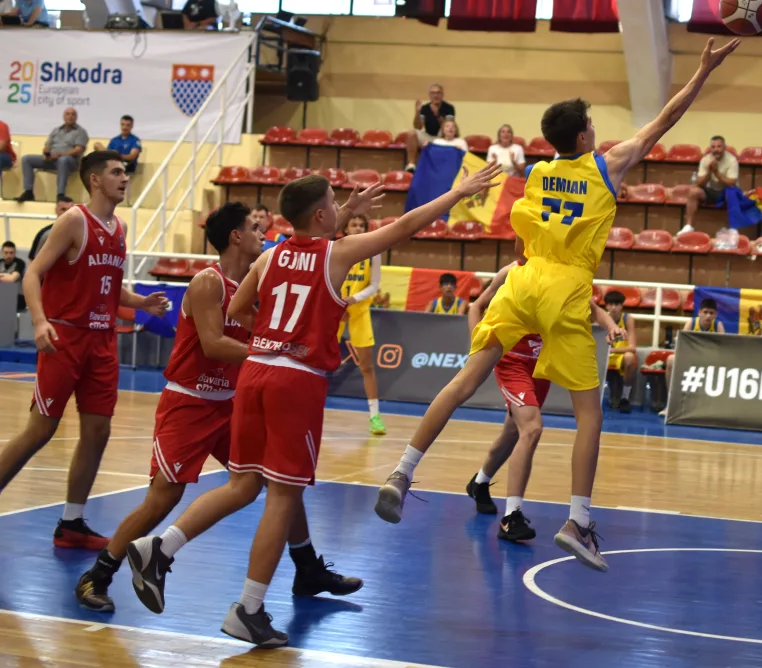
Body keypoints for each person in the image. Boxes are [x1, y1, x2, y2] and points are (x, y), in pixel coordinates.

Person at [375, 37, 741, 573]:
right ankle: (577, 521)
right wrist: (704, 69)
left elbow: (523, 238)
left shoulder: (539, 173)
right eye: (591, 122)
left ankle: (403, 471)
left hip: (524, 280)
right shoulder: (607, 165)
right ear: (584, 134)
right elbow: (666, 119)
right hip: (567, 288)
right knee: (590, 414)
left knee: (462, 382)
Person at [124, 166, 500, 647]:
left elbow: (238, 309)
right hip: (294, 380)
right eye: (333, 204)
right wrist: (457, 191)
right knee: (282, 497)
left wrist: (273, 333)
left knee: (243, 484)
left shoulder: (270, 256)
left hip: (254, 373)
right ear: (322, 215)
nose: (339, 209)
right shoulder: (337, 253)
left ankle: (161, 546)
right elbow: (406, 225)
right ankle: (248, 609)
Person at [73, 203, 361, 612]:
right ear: (235, 237)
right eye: (254, 227)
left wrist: (341, 213)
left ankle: (307, 567)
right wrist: (271, 352)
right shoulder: (209, 282)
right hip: (189, 402)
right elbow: (213, 344)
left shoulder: (259, 275)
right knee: (162, 499)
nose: (263, 233)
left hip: (229, 403)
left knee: (281, 481)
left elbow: (308, 244)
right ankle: (97, 575)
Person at [0, 151, 168, 548]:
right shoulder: (75, 220)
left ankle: (72, 522)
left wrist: (141, 303)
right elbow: (33, 274)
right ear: (95, 180)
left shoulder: (119, 227)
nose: (124, 178)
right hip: (65, 337)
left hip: (101, 341)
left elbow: (109, 287)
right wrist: (40, 321)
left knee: (98, 431)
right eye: (116, 172)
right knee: (41, 430)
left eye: (125, 172)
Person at [464, 261, 625, 542]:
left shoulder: (564, 273)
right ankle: (511, 517)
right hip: (512, 362)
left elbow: (593, 309)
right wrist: (478, 347)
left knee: (513, 431)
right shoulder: (511, 272)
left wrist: (611, 326)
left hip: (540, 365)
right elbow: (476, 306)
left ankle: (479, 482)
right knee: (532, 428)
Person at [338, 214, 386, 436]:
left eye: (362, 225)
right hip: (334, 311)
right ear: (346, 229)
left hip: (359, 310)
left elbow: (374, 285)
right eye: (354, 225)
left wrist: (354, 300)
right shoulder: (337, 248)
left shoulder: (373, 252)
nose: (358, 228)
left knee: (367, 366)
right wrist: (338, 304)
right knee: (318, 362)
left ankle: (375, 416)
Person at [17, 107, 89, 203]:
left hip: (70, 162)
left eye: (73, 114)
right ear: (64, 116)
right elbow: (47, 146)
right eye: (68, 114)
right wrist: (46, 154)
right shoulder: (56, 130)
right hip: (52, 159)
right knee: (26, 159)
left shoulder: (80, 132)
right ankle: (28, 192)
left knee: (63, 160)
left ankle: (60, 194)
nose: (70, 116)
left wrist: (60, 155)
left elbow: (78, 150)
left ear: (76, 117)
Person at [679, 135, 738, 235]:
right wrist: (709, 172)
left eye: (719, 146)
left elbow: (731, 183)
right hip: (710, 191)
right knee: (693, 191)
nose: (716, 150)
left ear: (724, 147)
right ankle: (689, 226)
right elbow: (699, 183)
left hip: (725, 191)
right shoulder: (705, 159)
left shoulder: (732, 160)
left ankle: (733, 228)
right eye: (713, 147)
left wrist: (716, 172)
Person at [664, 297, 726, 378]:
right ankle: (670, 387)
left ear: (715, 315)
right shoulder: (691, 323)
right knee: (670, 360)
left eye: (711, 313)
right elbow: (682, 343)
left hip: (710, 358)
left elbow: (723, 347)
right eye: (705, 312)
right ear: (699, 312)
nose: (708, 316)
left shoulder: (718, 325)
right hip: (692, 356)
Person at [602, 290, 637, 412]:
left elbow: (632, 347)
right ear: (606, 306)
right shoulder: (602, 319)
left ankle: (624, 397)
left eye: (617, 304)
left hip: (620, 356)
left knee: (630, 357)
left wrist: (612, 349)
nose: (613, 308)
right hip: (605, 356)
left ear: (622, 306)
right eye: (610, 304)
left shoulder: (627, 319)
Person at [408, 83, 456, 171]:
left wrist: (437, 115)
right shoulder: (425, 108)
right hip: (429, 137)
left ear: (442, 95)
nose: (436, 95)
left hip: (442, 138)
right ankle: (411, 165)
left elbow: (449, 126)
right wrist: (417, 112)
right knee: (412, 133)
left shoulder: (449, 108)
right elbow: (418, 126)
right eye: (433, 93)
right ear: (430, 96)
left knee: (445, 131)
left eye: (438, 93)